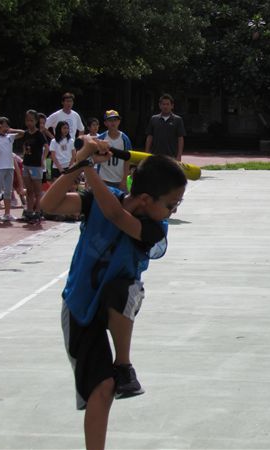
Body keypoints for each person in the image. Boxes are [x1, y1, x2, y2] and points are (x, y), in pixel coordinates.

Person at [40, 135, 187, 450]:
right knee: (102, 388)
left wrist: (88, 167)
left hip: (116, 306)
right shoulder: (97, 201)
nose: (173, 211)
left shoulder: (154, 228)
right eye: (171, 205)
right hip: (80, 309)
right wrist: (80, 162)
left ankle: (123, 364)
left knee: (123, 289)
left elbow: (118, 217)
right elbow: (48, 204)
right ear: (145, 199)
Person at [0, 117, 24, 221]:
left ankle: (7, 214)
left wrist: (11, 130)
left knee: (8, 191)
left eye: (7, 125)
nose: (6, 127)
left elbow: (22, 133)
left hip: (10, 167)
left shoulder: (10, 137)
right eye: (4, 125)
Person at [21, 110, 48, 222]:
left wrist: (43, 159)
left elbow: (46, 147)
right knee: (29, 189)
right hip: (26, 163)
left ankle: (38, 211)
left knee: (38, 190)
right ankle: (29, 210)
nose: (29, 123)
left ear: (36, 121)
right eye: (27, 120)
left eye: (32, 120)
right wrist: (24, 153)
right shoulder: (26, 133)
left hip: (36, 165)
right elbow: (24, 144)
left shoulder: (39, 134)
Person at [144, 93, 186, 160]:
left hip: (172, 157)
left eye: (167, 104)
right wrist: (146, 153)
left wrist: (179, 155)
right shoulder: (154, 119)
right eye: (163, 104)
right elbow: (150, 137)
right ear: (160, 105)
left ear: (172, 106)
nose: (165, 106)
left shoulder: (178, 120)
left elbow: (180, 138)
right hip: (155, 156)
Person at [97, 110, 132, 190]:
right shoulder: (101, 138)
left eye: (115, 120)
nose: (113, 122)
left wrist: (124, 179)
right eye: (110, 120)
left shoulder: (124, 139)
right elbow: (93, 158)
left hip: (119, 180)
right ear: (105, 123)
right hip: (103, 178)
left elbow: (128, 160)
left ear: (119, 122)